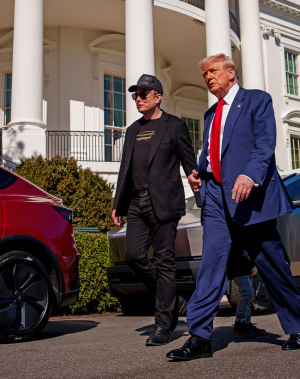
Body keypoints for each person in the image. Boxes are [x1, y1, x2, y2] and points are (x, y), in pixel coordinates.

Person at [167, 54, 300, 361]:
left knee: (272, 263)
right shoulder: (210, 115)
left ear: (231, 73)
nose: (208, 76)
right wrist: (199, 173)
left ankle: (299, 325)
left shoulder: (257, 101)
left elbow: (264, 144)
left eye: (214, 71)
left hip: (250, 197)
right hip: (216, 199)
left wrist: (250, 175)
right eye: (204, 72)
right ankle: (200, 337)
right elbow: (211, 154)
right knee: (211, 265)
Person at [111, 74, 198, 346]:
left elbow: (189, 164)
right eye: (135, 95)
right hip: (136, 202)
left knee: (165, 262)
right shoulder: (133, 130)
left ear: (158, 97)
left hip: (164, 202)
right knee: (134, 256)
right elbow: (125, 169)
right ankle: (169, 299)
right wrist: (118, 204)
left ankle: (163, 324)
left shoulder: (175, 126)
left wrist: (201, 194)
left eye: (143, 94)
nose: (138, 99)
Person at [228, 253, 266, 337]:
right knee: (248, 294)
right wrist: (250, 265)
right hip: (238, 266)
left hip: (241, 266)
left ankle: (246, 322)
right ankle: (240, 322)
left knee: (248, 293)